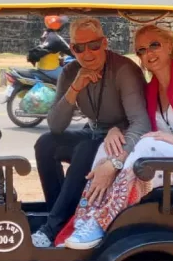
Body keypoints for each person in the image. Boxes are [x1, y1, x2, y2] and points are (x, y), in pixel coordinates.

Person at [63, 23, 173, 249]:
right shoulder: (153, 87)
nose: (148, 54)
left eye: (154, 45)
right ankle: (85, 217)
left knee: (147, 146)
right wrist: (115, 132)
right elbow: (141, 127)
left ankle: (101, 222)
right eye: (141, 51)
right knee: (111, 147)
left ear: (169, 46)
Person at [32, 17, 149, 248]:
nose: (87, 53)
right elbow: (56, 125)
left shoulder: (123, 70)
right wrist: (76, 87)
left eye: (93, 45)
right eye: (78, 47)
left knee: (86, 149)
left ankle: (52, 227)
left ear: (104, 43)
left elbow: (141, 122)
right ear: (71, 48)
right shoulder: (70, 72)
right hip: (94, 133)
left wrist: (116, 159)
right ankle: (59, 216)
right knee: (45, 144)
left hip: (121, 138)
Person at [27, 15, 72, 80]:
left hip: (42, 67)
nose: (62, 25)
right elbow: (71, 51)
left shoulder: (45, 34)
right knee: (73, 77)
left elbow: (49, 51)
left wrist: (59, 58)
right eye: (61, 23)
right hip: (51, 70)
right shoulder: (57, 39)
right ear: (57, 25)